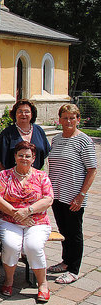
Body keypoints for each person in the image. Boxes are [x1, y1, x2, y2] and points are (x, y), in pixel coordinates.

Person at [0, 141, 53, 302]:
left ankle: (43, 284)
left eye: (28, 156)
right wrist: (15, 213)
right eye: (21, 155)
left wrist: (28, 211)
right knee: (12, 246)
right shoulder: (5, 175)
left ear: (33, 158)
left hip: (36, 221)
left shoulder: (41, 176)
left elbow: (48, 199)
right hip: (9, 220)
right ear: (15, 156)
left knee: (33, 246)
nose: (24, 158)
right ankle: (9, 280)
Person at [47, 104, 97, 284]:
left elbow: (92, 170)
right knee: (63, 230)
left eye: (72, 117)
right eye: (65, 117)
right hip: (58, 194)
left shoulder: (84, 140)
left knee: (74, 232)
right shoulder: (57, 139)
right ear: (59, 120)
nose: (68, 121)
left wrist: (81, 194)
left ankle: (74, 269)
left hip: (74, 195)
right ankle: (65, 261)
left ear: (78, 119)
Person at [0, 99, 50, 174]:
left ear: (32, 114)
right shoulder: (7, 134)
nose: (23, 114)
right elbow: (0, 163)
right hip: (13, 179)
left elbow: (44, 154)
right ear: (15, 114)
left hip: (35, 178)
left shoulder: (39, 131)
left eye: (27, 111)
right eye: (20, 111)